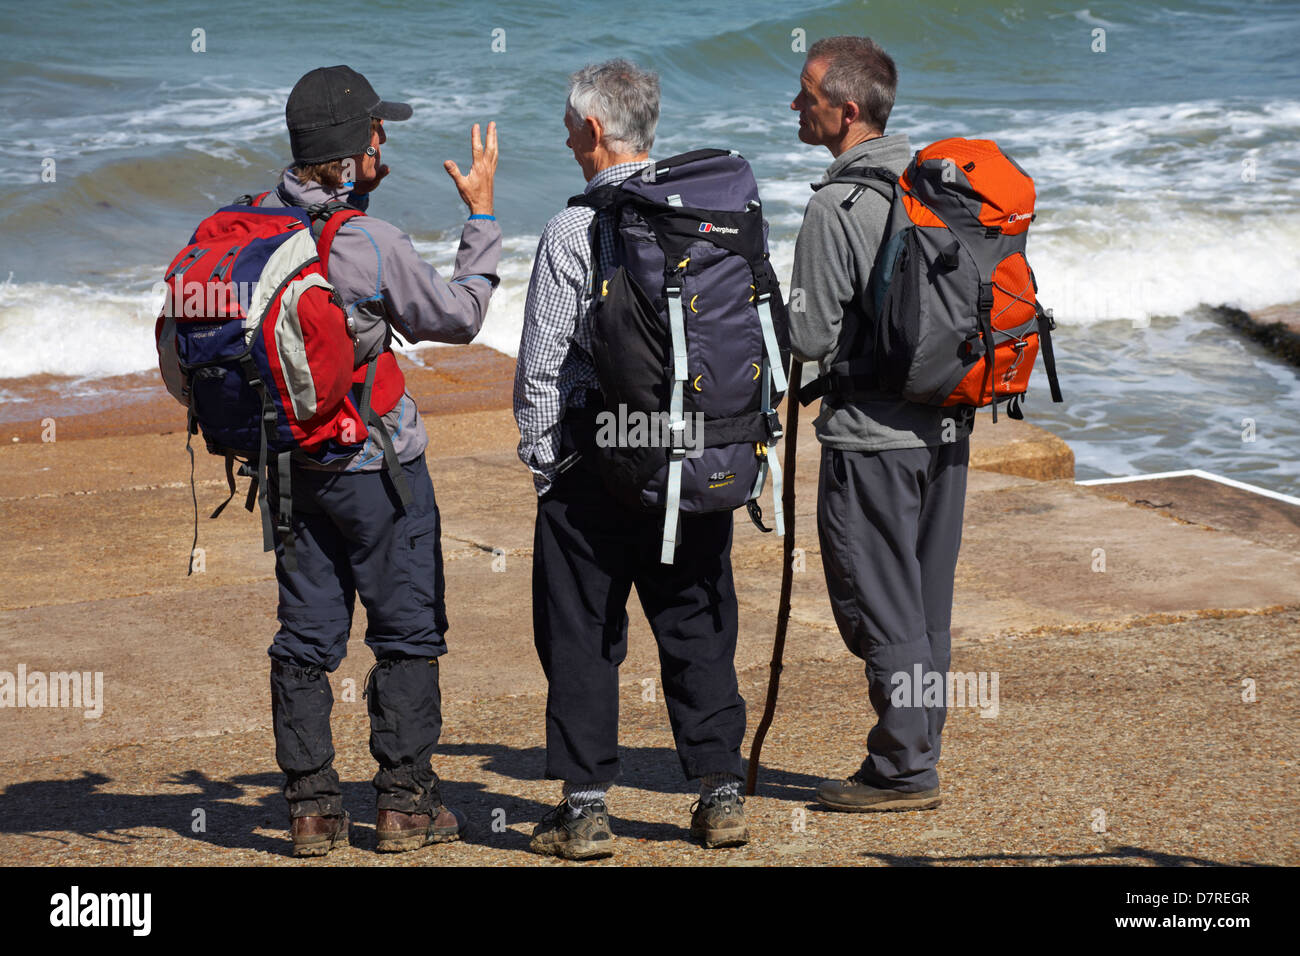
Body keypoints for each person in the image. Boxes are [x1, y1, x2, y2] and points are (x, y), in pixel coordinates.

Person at [254, 66, 500, 855]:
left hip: (288, 469)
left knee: (304, 637)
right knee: (406, 632)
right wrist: (482, 217)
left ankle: (312, 810)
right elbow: (459, 316)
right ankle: (403, 803)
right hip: (375, 468)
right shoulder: (367, 240)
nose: (384, 143)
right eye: (377, 133)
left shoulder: (252, 227)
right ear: (356, 150)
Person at [513, 59, 749, 860]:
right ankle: (721, 796)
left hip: (598, 459)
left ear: (591, 130)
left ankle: (584, 813)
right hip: (691, 449)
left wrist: (546, 468)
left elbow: (544, 364)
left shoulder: (575, 227)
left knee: (582, 631)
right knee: (697, 617)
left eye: (567, 122)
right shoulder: (710, 214)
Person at [788, 37, 972, 811]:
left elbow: (809, 339)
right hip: (950, 428)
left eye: (806, 96)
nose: (796, 106)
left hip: (872, 441)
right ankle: (916, 750)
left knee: (882, 604)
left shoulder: (839, 205)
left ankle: (903, 769)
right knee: (926, 604)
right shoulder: (942, 187)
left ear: (848, 111)